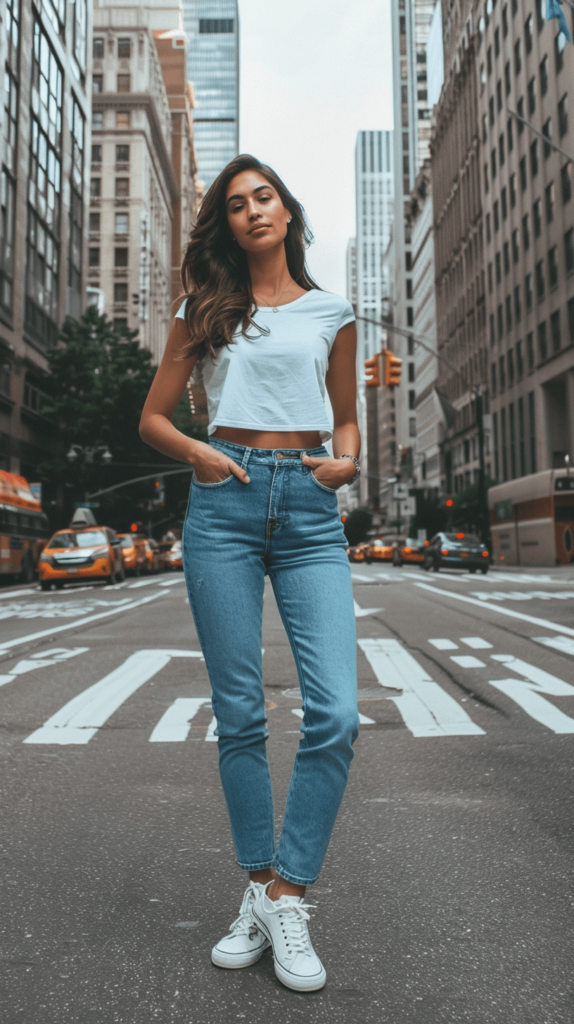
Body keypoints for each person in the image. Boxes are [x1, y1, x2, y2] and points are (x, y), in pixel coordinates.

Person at [140, 154, 361, 993]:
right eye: (236, 204)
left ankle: (284, 893)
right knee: (239, 715)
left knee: (335, 714)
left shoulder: (335, 311)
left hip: (308, 511)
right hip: (223, 505)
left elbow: (346, 420)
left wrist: (346, 463)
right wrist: (200, 453)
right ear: (225, 224)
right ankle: (261, 884)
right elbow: (153, 417)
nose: (252, 211)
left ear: (287, 209)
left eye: (263, 196)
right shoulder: (205, 310)